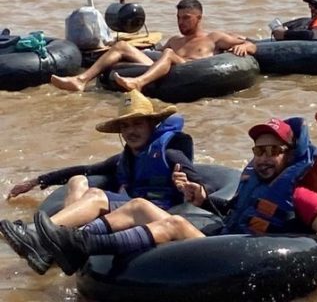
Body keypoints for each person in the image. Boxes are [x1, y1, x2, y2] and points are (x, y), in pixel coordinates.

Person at [31, 117, 317, 289]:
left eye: (273, 151)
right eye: (259, 151)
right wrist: (203, 199)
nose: (264, 159)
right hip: (224, 240)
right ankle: (73, 242)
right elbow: (234, 213)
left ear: (288, 155)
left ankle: (83, 246)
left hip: (245, 255)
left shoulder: (299, 194)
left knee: (174, 223)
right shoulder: (254, 185)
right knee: (139, 205)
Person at [0, 90, 211, 274]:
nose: (131, 131)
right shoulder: (124, 159)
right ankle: (55, 243)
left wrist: (191, 189)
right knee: (77, 180)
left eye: (138, 123)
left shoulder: (171, 153)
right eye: (125, 126)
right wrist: (37, 181)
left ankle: (38, 235)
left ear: (151, 124)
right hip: (127, 210)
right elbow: (85, 169)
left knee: (95, 196)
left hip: (157, 212)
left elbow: (198, 185)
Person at [50, 0, 255, 93]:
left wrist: (246, 47)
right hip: (166, 69)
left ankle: (138, 83)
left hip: (193, 72)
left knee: (168, 53)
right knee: (122, 46)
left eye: (186, 18)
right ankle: (81, 80)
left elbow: (252, 45)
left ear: (199, 18)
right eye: (178, 18)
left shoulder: (214, 37)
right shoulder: (175, 40)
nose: (181, 22)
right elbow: (153, 56)